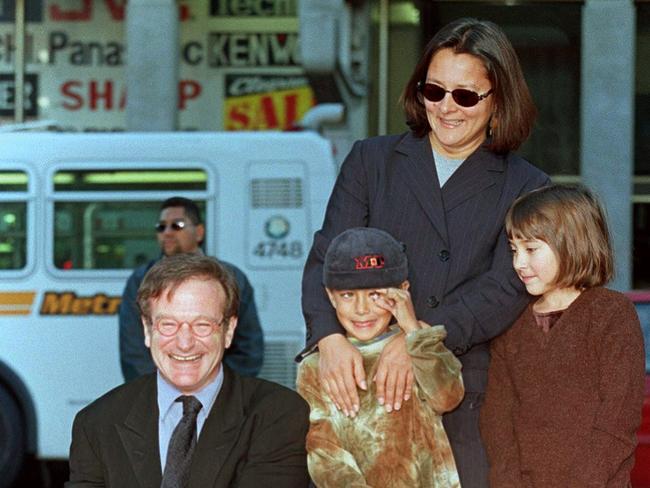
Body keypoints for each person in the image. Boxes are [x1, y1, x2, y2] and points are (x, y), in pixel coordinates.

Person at [299, 17, 550, 486]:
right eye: (435, 91)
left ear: (499, 102)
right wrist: (328, 338)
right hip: (358, 395)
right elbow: (327, 257)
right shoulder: (370, 161)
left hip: (459, 398)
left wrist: (415, 339)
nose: (447, 108)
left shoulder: (527, 186)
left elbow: (503, 289)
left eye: (466, 95)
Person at [67, 253, 310, 487]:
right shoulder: (96, 424)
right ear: (147, 329)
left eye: (202, 325)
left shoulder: (279, 414)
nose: (184, 343)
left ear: (228, 330)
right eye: (168, 324)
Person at [479, 184, 646, 487]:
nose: (519, 263)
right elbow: (498, 421)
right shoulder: (512, 321)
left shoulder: (611, 314)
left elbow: (617, 419)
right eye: (514, 250)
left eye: (531, 249)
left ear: (571, 243)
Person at [297, 227, 464, 487]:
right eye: (348, 295)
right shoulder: (314, 368)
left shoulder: (420, 346)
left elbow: (447, 396)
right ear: (330, 297)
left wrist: (413, 331)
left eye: (375, 294)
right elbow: (324, 454)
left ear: (403, 291)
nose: (362, 309)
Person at [119, 196, 264, 381]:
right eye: (161, 227)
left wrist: (218, 393)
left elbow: (248, 348)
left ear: (199, 232)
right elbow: (133, 351)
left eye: (177, 225)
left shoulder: (231, 277)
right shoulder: (140, 280)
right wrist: (158, 396)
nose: (167, 232)